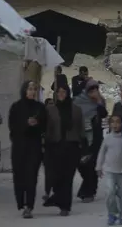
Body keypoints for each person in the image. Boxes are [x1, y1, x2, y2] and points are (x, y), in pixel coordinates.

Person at [44, 84, 86, 216]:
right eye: (59, 92)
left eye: (64, 92)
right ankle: (57, 197)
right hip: (55, 146)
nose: (61, 94)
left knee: (68, 177)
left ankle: (65, 206)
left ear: (68, 93)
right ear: (55, 94)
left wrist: (84, 147)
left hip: (71, 146)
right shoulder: (50, 109)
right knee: (56, 176)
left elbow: (81, 128)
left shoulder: (76, 109)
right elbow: (46, 128)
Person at [8, 81, 47, 219]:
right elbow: (12, 127)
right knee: (20, 177)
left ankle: (29, 206)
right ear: (24, 90)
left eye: (34, 89)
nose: (32, 92)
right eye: (30, 89)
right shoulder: (16, 107)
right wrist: (26, 124)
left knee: (31, 177)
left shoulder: (40, 108)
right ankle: (21, 203)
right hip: (19, 147)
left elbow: (45, 127)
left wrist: (37, 124)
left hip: (34, 147)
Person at [73, 79, 109, 202]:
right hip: (82, 136)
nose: (94, 92)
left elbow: (104, 114)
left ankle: (89, 192)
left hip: (96, 137)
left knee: (93, 164)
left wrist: (99, 102)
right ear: (86, 91)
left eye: (96, 89)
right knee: (82, 164)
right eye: (91, 90)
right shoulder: (78, 102)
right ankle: (88, 189)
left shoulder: (100, 102)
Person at [96, 115, 122, 226]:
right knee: (110, 192)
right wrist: (98, 167)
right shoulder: (108, 138)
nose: (115, 125)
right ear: (110, 124)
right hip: (109, 170)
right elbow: (101, 153)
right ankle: (112, 213)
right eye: (113, 122)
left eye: (118, 122)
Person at [43, 98, 55, 201]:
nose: (51, 106)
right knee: (48, 172)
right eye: (49, 104)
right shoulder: (43, 118)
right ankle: (47, 192)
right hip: (47, 148)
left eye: (52, 104)